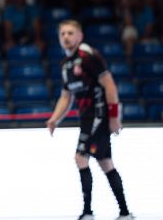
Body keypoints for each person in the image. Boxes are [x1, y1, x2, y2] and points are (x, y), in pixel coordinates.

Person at [46, 20, 133, 220]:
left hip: (99, 115)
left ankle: (87, 212)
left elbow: (110, 85)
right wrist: (54, 119)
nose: (66, 37)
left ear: (80, 36)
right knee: (105, 163)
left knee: (80, 157)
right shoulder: (66, 64)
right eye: (62, 34)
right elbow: (66, 96)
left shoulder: (88, 56)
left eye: (70, 33)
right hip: (86, 118)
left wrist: (114, 117)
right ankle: (124, 213)